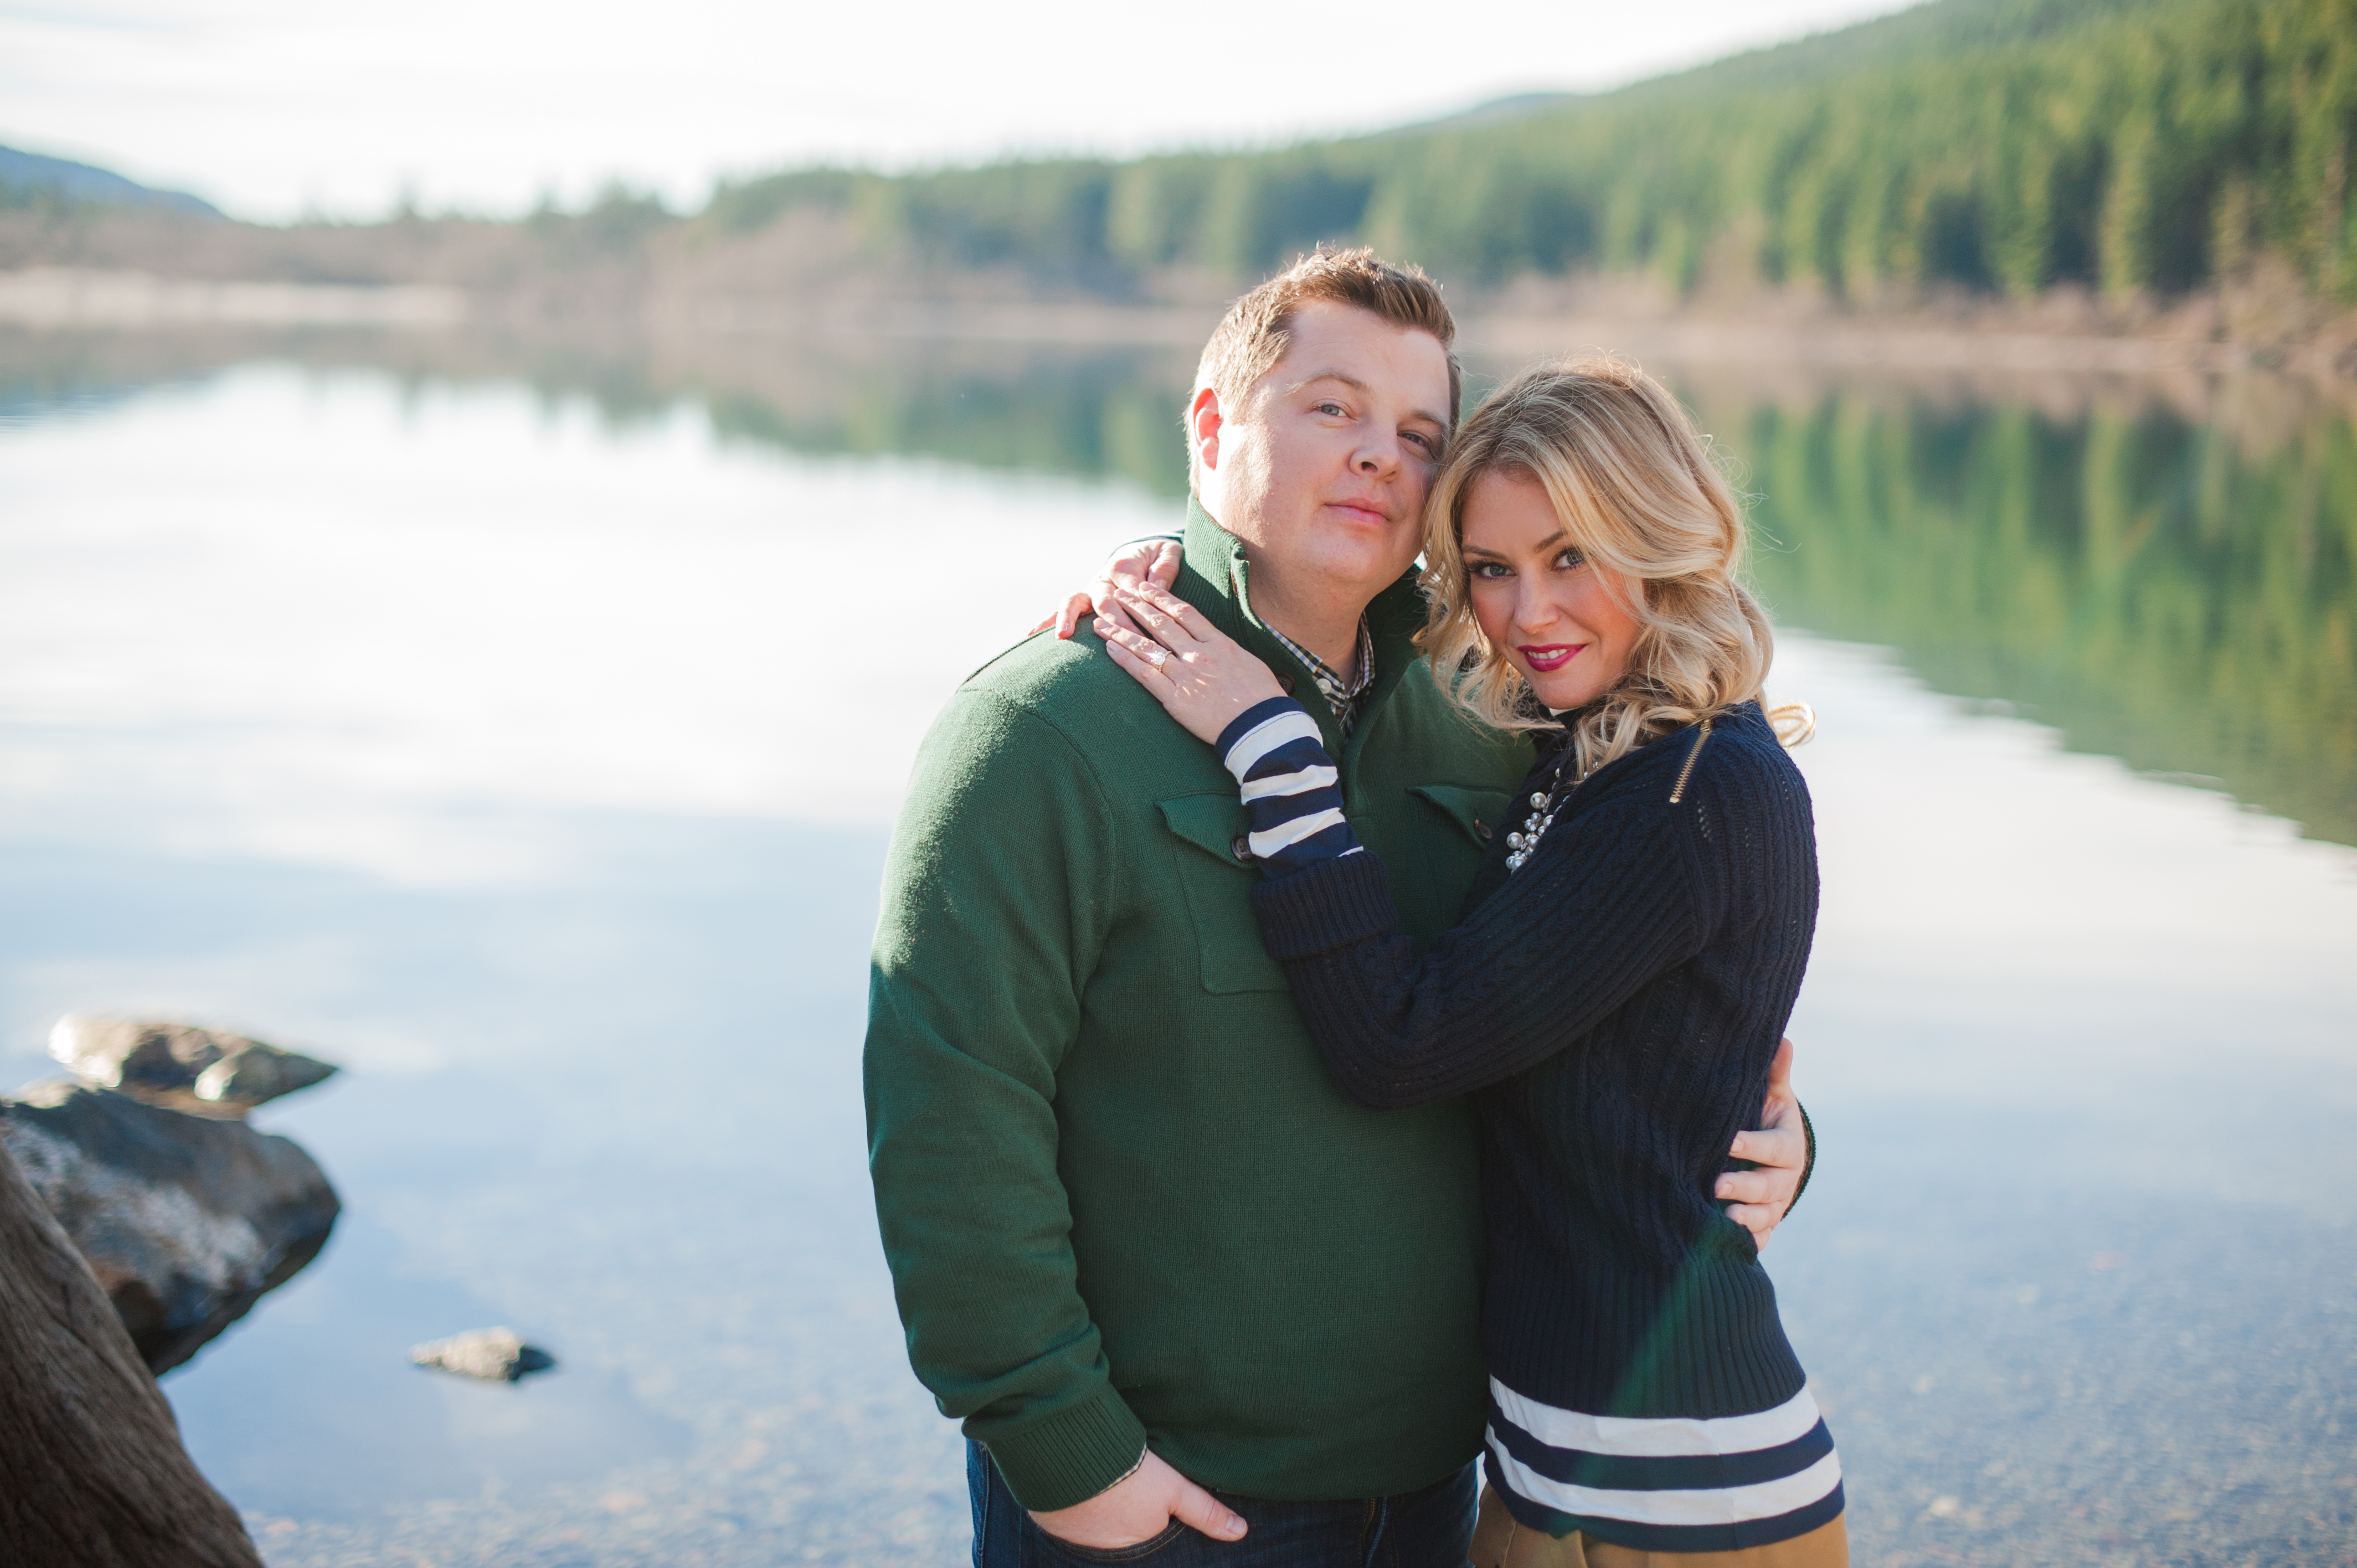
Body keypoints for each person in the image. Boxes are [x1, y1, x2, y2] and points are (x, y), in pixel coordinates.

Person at [863, 249, 1812, 1568]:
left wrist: (1762, 1132)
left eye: (1418, 433)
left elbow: (1630, 968)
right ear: (1210, 428)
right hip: (1168, 1511)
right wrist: (1062, 1451)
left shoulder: (1495, 721)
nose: (1379, 456)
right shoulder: (1042, 731)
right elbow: (950, 1109)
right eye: (1331, 408)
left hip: (1452, 1494)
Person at [1089, 357, 1844, 1566]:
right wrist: (1171, 573)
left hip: (1675, 1493)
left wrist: (1273, 753)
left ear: (1657, 541)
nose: (1527, 615)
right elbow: (1655, 1054)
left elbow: (1406, 1043)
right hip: (1552, 1467)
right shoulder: (1597, 750)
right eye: (1491, 570)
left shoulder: (1692, 796)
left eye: (1570, 557)